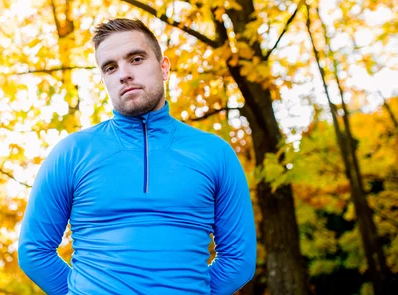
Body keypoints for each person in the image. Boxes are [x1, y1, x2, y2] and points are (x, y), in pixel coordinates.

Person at [18, 18, 256, 295]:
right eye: (110, 67)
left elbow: (239, 259)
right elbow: (34, 251)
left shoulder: (215, 153)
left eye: (136, 59)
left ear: (164, 67)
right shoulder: (71, 153)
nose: (123, 74)